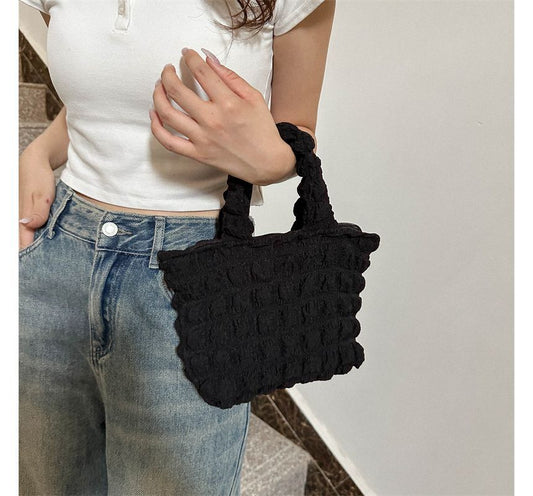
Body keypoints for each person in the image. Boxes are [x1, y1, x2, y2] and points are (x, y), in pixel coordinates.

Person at [18, 0, 336, 494]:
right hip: (54, 250)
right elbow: (101, 97)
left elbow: (298, 129)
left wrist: (266, 158)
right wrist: (36, 154)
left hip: (194, 276)